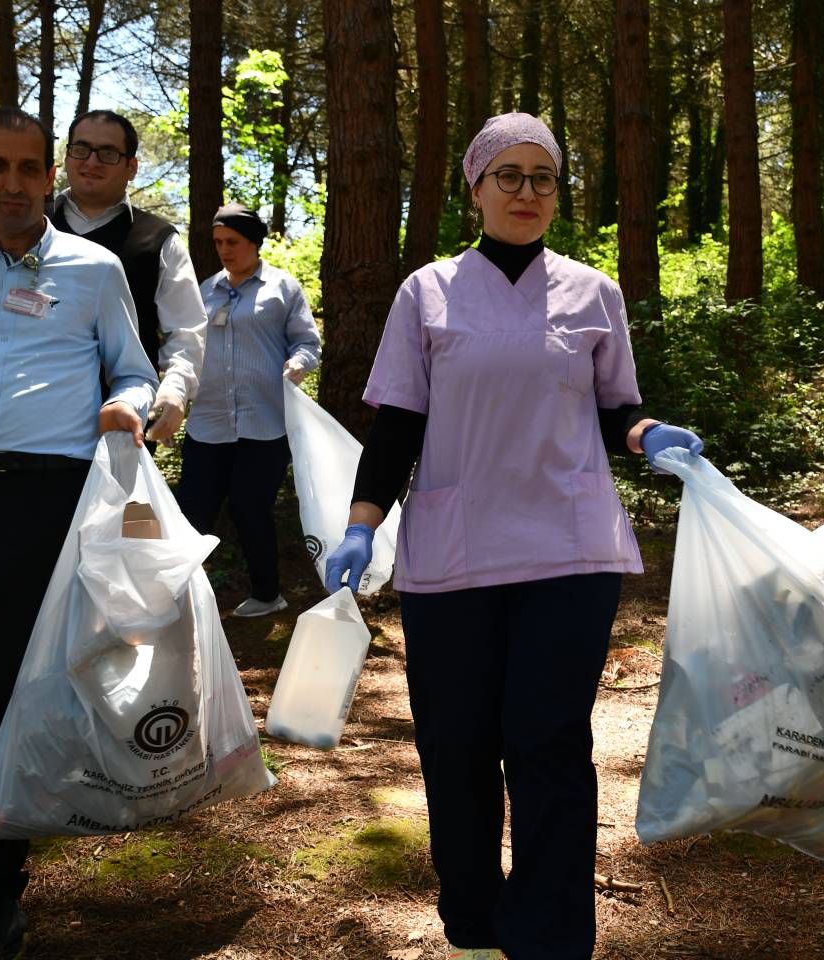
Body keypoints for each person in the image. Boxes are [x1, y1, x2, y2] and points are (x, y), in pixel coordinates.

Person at [322, 112, 703, 960]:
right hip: (454, 554)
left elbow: (617, 409)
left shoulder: (593, 291)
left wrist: (648, 437)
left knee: (549, 745)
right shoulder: (427, 291)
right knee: (456, 748)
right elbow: (396, 427)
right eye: (511, 175)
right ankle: (474, 928)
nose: (528, 192)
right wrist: (361, 525)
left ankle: (552, 938)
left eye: (544, 177)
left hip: (569, 551)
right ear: (476, 187)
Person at [0, 107, 155, 951]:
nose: (13, 183)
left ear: (52, 177)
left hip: (49, 502)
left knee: (11, 698)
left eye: (29, 168)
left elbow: (132, 367)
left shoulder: (95, 269)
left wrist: (130, 403)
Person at [176, 203, 320, 618]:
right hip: (208, 422)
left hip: (264, 423)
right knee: (193, 510)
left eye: (233, 242)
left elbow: (308, 343)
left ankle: (267, 593)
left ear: (254, 243)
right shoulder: (204, 291)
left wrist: (298, 364)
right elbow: (187, 345)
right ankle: (180, 595)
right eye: (218, 242)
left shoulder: (283, 289)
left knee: (248, 506)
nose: (224, 250)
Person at [49, 109, 207, 445]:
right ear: (66, 157)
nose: (91, 161)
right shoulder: (32, 228)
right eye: (81, 149)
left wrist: (176, 391)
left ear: (131, 167)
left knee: (122, 502)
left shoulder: (158, 239)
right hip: (29, 430)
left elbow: (187, 330)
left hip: (123, 429)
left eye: (107, 153)